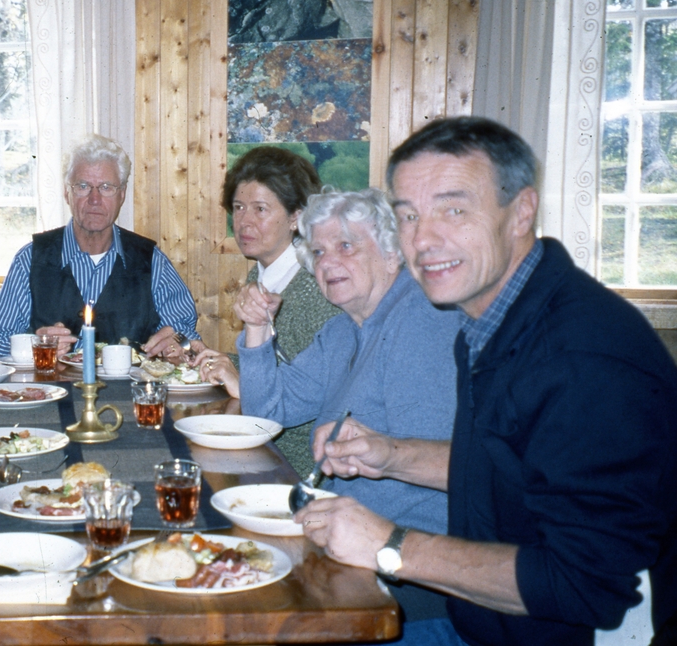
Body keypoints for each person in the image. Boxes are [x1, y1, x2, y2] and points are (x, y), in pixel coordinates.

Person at [296, 117, 677, 646]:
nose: (424, 240)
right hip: (478, 618)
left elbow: (585, 584)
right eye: (408, 216)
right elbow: (508, 468)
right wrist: (388, 454)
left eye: (454, 210)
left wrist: (391, 545)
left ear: (521, 211)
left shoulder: (583, 357)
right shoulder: (490, 323)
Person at [223, 187, 460, 622]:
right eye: (318, 250)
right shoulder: (343, 332)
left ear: (393, 252)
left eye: (346, 246)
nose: (328, 261)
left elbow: (446, 474)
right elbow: (265, 414)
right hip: (342, 544)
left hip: (407, 577)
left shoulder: (421, 322)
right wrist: (256, 329)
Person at [189, 145, 340, 475]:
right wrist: (222, 360)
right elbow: (275, 362)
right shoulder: (263, 272)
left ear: (296, 216)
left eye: (260, 209)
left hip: (296, 462)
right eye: (239, 207)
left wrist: (238, 380)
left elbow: (310, 394)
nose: (244, 221)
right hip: (264, 445)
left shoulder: (317, 287)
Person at [0, 134, 199, 360]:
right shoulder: (31, 259)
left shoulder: (151, 261)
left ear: (122, 194)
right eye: (83, 186)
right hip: (53, 394)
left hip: (128, 394)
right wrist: (36, 346)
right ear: (67, 193)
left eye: (106, 187)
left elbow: (189, 341)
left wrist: (178, 345)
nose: (94, 199)